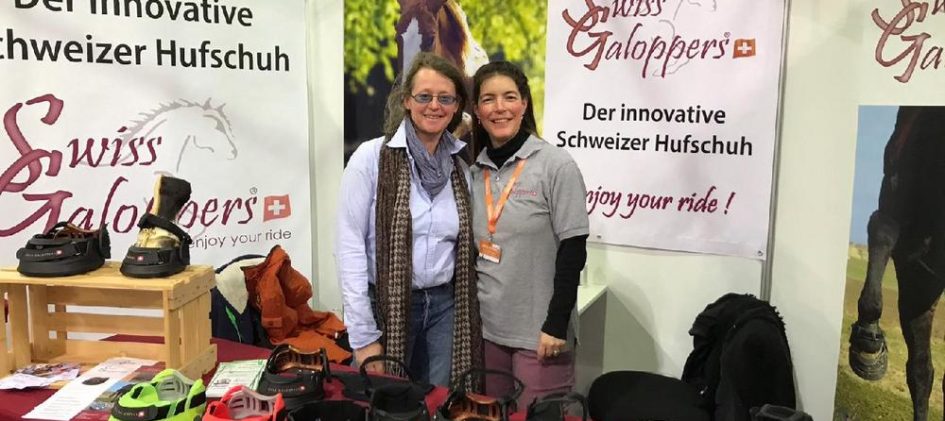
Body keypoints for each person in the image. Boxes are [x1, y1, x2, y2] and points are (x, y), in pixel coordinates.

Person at [335, 52, 482, 387]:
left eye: (445, 98)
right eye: (424, 96)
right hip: (386, 308)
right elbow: (349, 247)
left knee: (440, 399)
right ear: (406, 101)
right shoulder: (371, 158)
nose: (435, 106)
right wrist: (362, 335)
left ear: (456, 106)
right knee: (387, 400)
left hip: (446, 308)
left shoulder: (460, 168)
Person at [469, 61, 590, 407]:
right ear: (477, 111)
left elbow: (573, 250)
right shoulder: (475, 171)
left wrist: (556, 324)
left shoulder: (555, 165)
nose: (500, 107)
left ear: (524, 104)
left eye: (509, 97)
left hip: (539, 336)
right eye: (489, 99)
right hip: (489, 333)